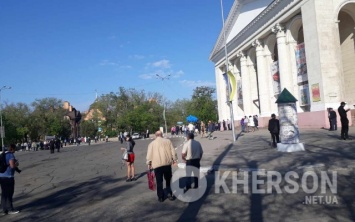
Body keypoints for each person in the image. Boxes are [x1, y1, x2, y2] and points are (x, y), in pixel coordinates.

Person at [146, 131, 178, 202]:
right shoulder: (168, 141)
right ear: (162, 135)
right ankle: (169, 194)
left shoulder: (151, 144)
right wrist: (174, 160)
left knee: (159, 181)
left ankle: (160, 197)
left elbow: (149, 155)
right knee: (168, 180)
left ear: (155, 135)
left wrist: (149, 163)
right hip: (167, 164)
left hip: (157, 165)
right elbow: (173, 151)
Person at [0, 144, 21, 215]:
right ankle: (10, 209)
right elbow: (12, 165)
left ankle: (3, 210)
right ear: (12, 148)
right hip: (8, 177)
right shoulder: (10, 155)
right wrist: (16, 164)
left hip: (1, 176)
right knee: (9, 193)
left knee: (4, 194)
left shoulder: (3, 154)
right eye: (15, 148)